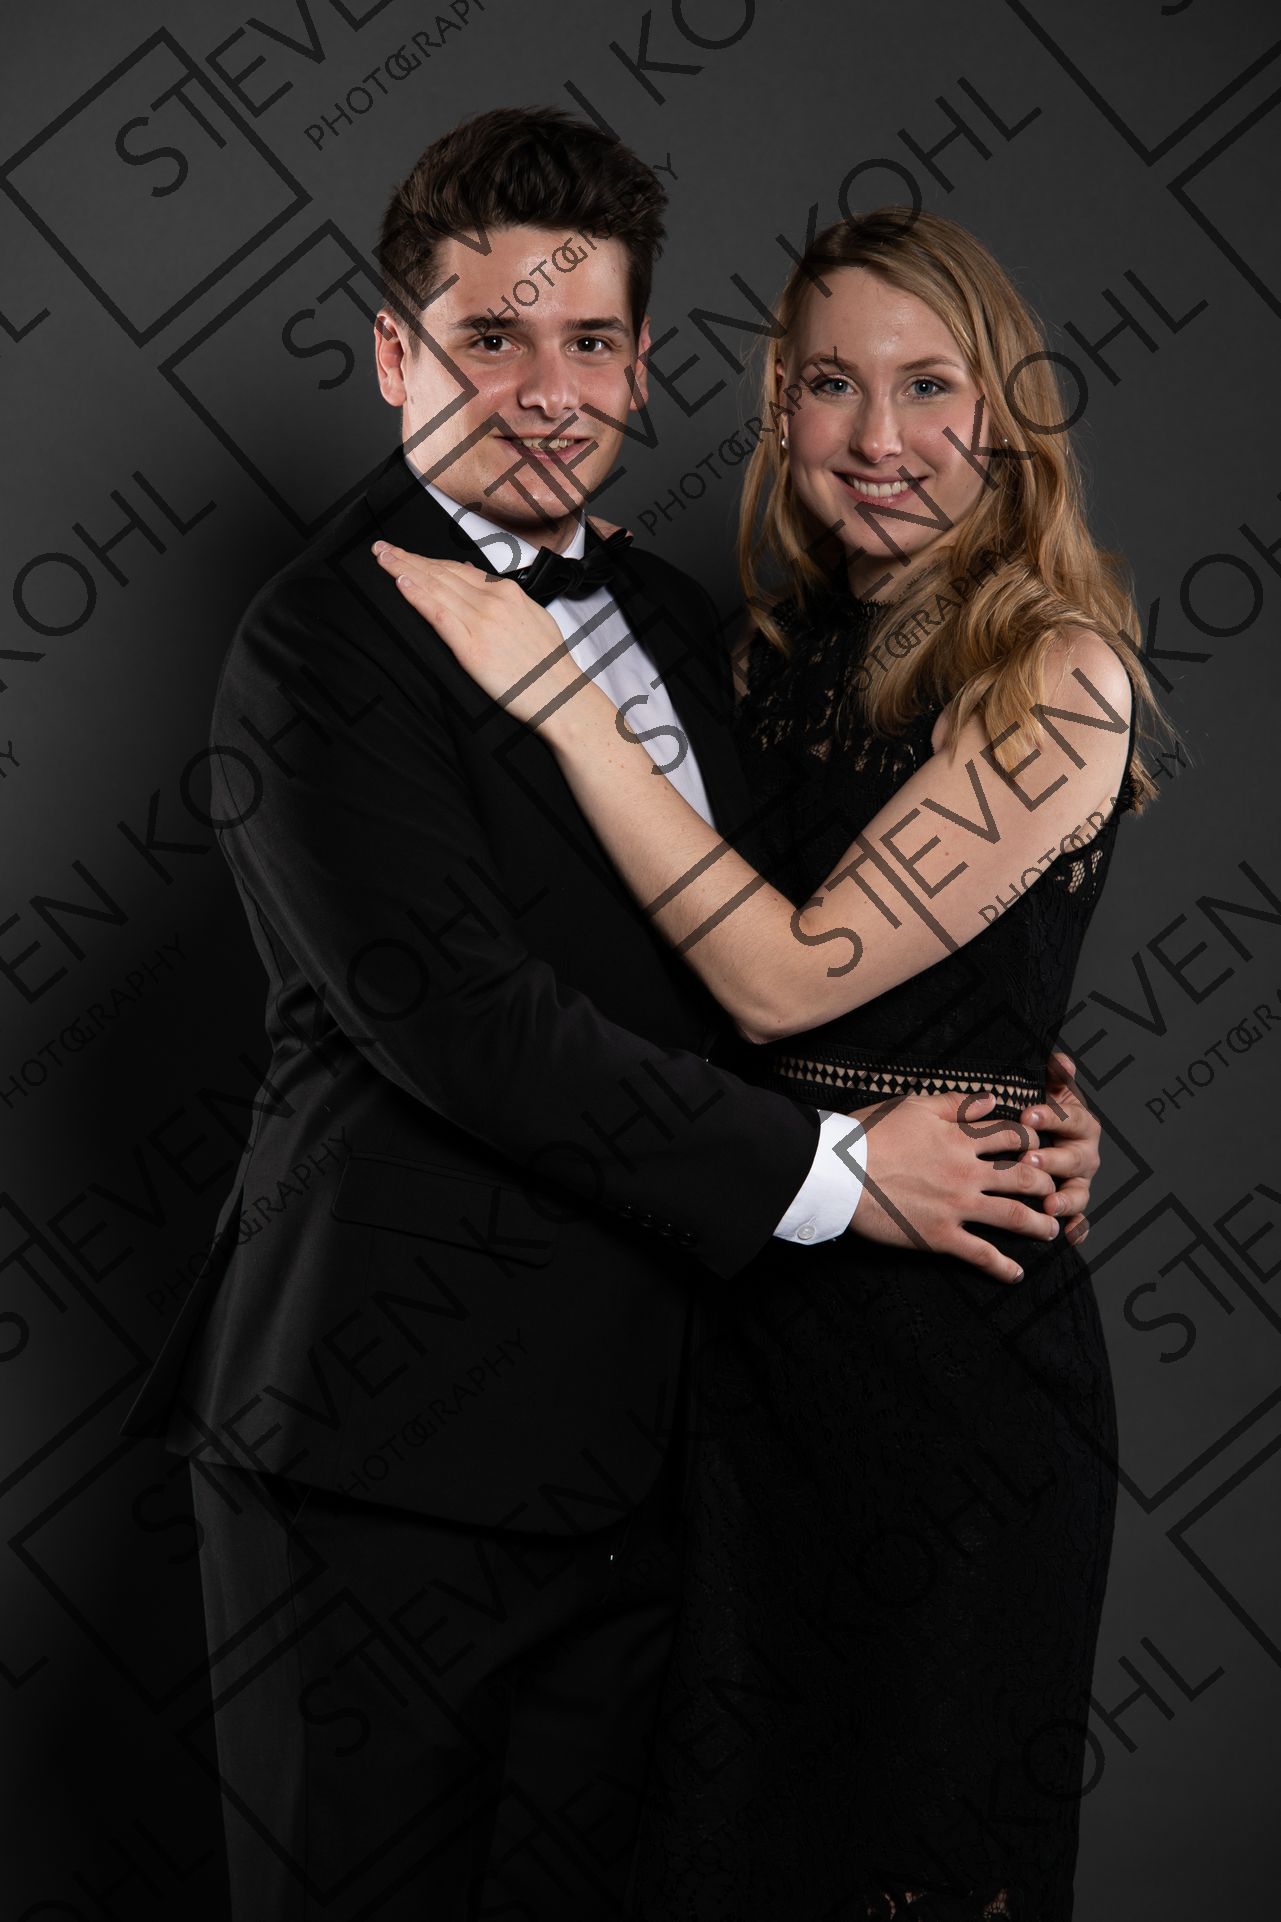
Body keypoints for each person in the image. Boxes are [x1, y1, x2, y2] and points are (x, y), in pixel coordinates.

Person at [122, 111, 1101, 1922]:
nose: (546, 392)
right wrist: (847, 1169)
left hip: (673, 1464)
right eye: (490, 338)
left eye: (588, 342)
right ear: (395, 355)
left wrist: (1005, 1091)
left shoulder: (683, 619)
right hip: (382, 1460)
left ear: (646, 365)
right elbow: (471, 1028)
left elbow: (814, 940)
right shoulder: (321, 639)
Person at [377, 204, 1158, 1918]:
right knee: (718, 1857)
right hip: (732, 1344)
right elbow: (639, 980)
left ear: (1005, 411)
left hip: (946, 1371)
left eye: (928, 384)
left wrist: (556, 692)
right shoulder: (752, 659)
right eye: (829, 384)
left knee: (912, 1852)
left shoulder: (1055, 675)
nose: (878, 437)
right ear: (775, 407)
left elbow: (787, 979)